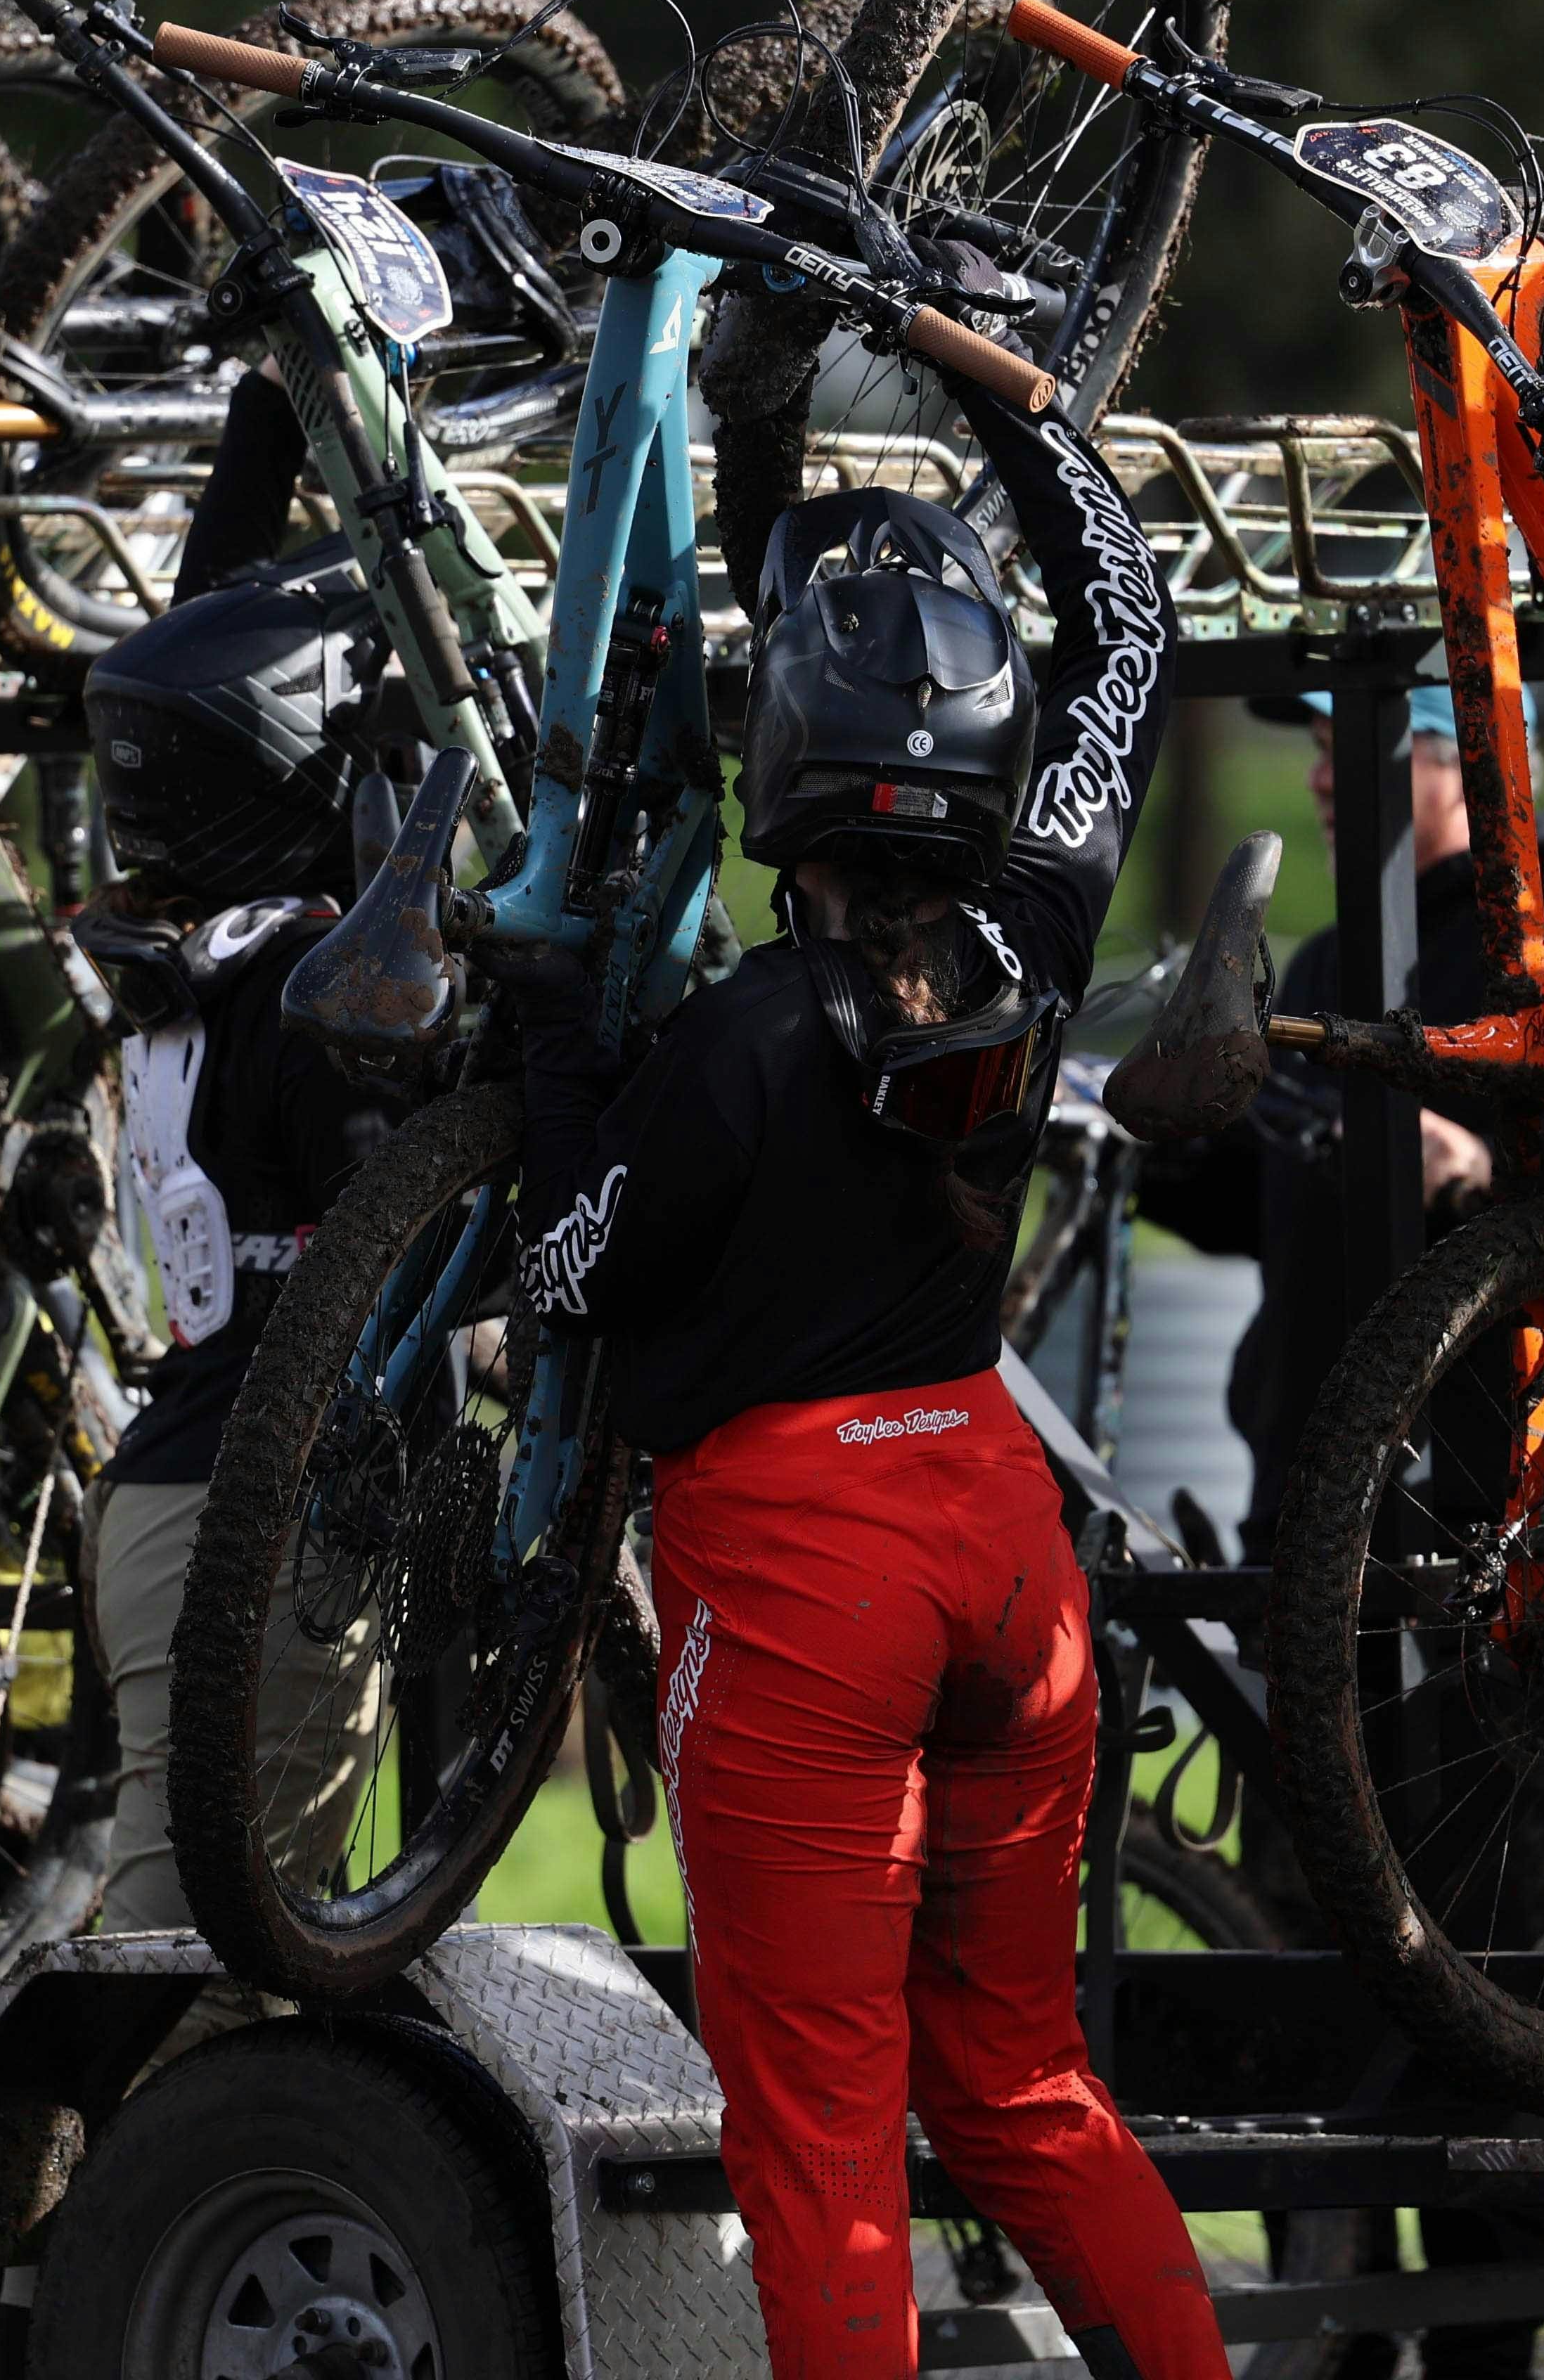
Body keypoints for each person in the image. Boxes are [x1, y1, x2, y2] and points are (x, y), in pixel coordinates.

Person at [509, 377, 1221, 2380]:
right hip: (1002, 1534)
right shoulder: (1041, 934)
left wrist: (559, 1044)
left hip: (804, 1576)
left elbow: (571, 1270)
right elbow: (1132, 623)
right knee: (1021, 2089)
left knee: (824, 2141)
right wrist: (1002, 389)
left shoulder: (736, 1045)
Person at [64, 474, 397, 1934]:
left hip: (158, 1497)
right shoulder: (331, 1011)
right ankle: (45, 2168)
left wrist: (272, 421)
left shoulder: (189, 967)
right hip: (259, 1541)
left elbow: (215, 656)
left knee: (178, 1946)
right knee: (190, 1978)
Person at [1136, 680, 1544, 1541]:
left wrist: (1480, 1169)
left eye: (1344, 752)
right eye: (1321, 753)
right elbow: (1270, 1202)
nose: (1320, 780)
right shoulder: (1326, 965)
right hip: (1313, 1505)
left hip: (1509, 1509)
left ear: (1465, 767)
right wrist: (1158, 1134)